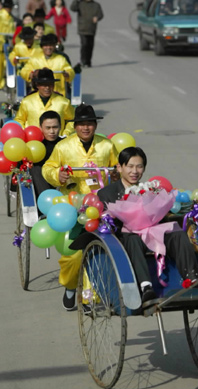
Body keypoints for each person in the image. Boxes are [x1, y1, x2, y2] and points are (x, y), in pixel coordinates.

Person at [97, 146, 198, 303]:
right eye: (130, 166)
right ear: (120, 167)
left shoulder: (150, 189)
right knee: (132, 238)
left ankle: (193, 278)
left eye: (139, 166)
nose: (135, 171)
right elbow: (108, 222)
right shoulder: (106, 193)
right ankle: (146, 286)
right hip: (127, 236)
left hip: (153, 232)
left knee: (178, 233)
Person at [42, 103, 119, 310]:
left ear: (95, 125)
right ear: (75, 126)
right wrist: (58, 175)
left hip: (102, 206)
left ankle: (89, 296)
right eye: (82, 124)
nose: (86, 128)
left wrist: (115, 174)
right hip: (73, 207)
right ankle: (69, 286)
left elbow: (119, 168)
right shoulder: (63, 147)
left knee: (100, 250)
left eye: (90, 124)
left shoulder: (107, 146)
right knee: (73, 255)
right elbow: (48, 168)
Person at [15, 67, 74, 137]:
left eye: (50, 84)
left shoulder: (64, 103)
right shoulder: (27, 102)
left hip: (56, 142)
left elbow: (72, 120)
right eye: (44, 85)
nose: (47, 88)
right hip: (33, 141)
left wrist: (66, 134)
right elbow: (19, 120)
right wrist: (25, 133)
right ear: (37, 85)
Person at [30, 110, 63, 198]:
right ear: (41, 128)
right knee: (35, 169)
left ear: (60, 127)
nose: (52, 131)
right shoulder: (34, 146)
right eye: (48, 128)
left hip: (63, 182)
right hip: (41, 187)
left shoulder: (66, 144)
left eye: (55, 127)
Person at [70, 0, 104, 68]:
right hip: (82, 29)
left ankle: (88, 61)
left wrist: (97, 18)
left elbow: (101, 14)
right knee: (84, 44)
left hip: (92, 29)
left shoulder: (96, 5)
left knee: (90, 46)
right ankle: (83, 61)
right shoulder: (80, 4)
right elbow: (73, 8)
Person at [0, 0, 15, 89]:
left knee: (7, 64)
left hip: (7, 43)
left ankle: (5, 83)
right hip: (1, 42)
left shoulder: (10, 17)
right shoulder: (1, 15)